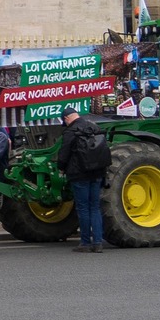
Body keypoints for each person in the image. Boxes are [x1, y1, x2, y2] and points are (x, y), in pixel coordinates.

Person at [59, 108, 110, 252]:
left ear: (67, 118)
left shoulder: (70, 131)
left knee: (83, 208)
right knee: (95, 207)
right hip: (97, 173)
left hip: (79, 174)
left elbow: (64, 152)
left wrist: (61, 167)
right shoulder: (94, 127)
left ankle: (85, 243)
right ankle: (98, 242)